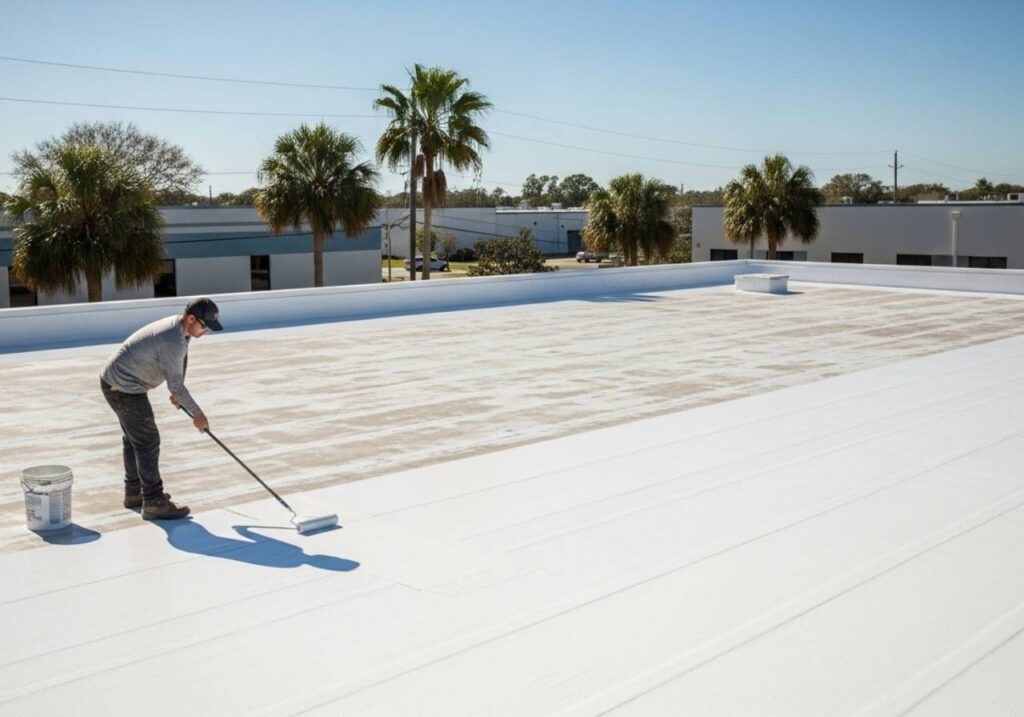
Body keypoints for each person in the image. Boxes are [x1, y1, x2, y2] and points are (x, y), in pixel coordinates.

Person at [100, 297, 223, 520]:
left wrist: (177, 394)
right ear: (192, 318)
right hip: (122, 387)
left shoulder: (181, 329)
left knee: (134, 439)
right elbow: (176, 381)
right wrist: (197, 413)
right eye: (204, 326)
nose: (206, 332)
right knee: (147, 440)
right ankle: (154, 501)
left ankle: (135, 493)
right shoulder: (172, 339)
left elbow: (180, 364)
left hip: (119, 382)